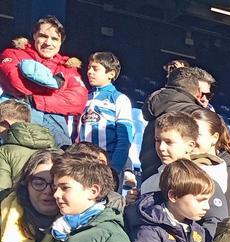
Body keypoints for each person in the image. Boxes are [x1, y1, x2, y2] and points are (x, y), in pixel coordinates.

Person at [0, 16, 85, 147]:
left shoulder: (68, 66)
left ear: (61, 42)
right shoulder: (13, 53)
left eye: (54, 39)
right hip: (16, 129)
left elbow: (77, 101)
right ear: (34, 35)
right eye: (43, 36)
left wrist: (35, 100)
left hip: (54, 134)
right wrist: (55, 88)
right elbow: (15, 82)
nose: (48, 42)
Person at [139, 66, 214, 178]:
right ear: (196, 91)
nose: (205, 99)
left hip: (150, 181)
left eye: (209, 96)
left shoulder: (154, 111)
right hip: (184, 183)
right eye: (204, 94)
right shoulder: (197, 115)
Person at [0, 149, 57, 242]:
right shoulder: (4, 213)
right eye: (38, 183)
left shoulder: (80, 224)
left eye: (54, 185)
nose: (47, 191)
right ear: (26, 184)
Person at [78, 51, 133, 176]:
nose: (89, 72)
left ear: (111, 74)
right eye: (89, 68)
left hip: (106, 166)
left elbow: (125, 138)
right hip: (80, 163)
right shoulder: (83, 97)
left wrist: (114, 169)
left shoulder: (119, 99)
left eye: (95, 69)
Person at [0, 103, 54, 191]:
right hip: (49, 202)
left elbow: (2, 189)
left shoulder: (4, 151)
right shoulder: (54, 148)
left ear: (6, 123)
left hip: (16, 203)